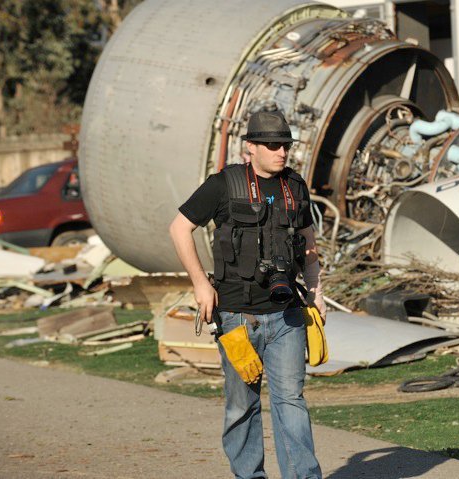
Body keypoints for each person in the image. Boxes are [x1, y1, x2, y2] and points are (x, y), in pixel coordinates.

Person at [169, 110, 326, 479]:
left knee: (291, 402)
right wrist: (199, 283)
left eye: (285, 145)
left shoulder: (295, 186)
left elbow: (308, 242)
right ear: (249, 148)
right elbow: (179, 229)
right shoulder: (223, 184)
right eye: (273, 145)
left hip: (287, 316)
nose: (282, 152)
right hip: (237, 317)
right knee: (242, 407)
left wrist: (316, 289)